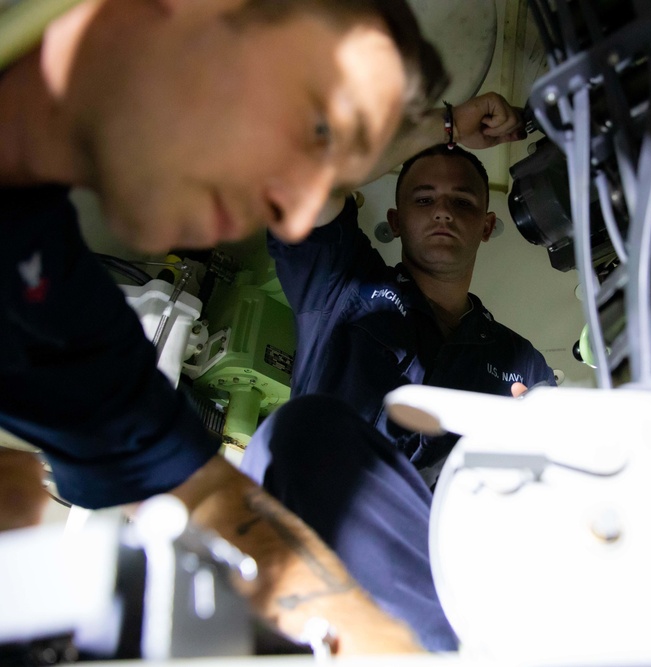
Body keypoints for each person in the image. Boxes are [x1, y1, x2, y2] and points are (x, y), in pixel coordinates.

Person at [0, 0, 464, 654]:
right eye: (319, 129)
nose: (298, 218)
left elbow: (207, 492)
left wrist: (400, 650)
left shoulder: (49, 295)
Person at [240, 119, 556, 650]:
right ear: (395, 218)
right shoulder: (344, 283)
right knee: (296, 432)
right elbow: (302, 179)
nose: (442, 211)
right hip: (320, 538)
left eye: (462, 201)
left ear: (485, 225)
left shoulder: (521, 363)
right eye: (424, 197)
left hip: (441, 568)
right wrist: (448, 123)